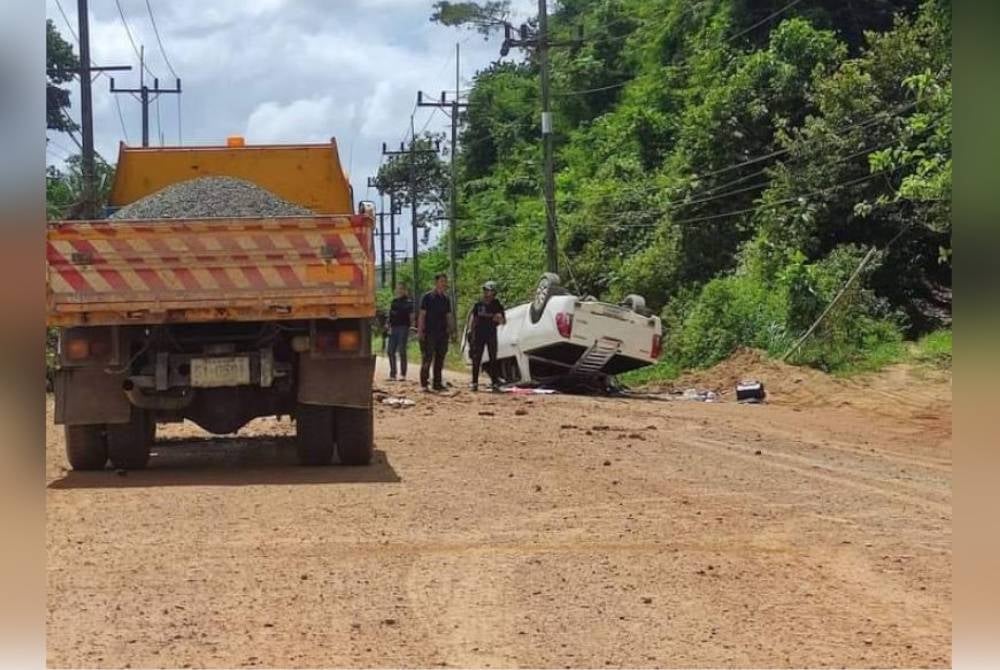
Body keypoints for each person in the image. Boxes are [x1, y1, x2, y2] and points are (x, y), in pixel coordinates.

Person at [467, 280, 506, 391]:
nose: (486, 292)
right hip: (478, 334)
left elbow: (503, 321)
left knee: (493, 358)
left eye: (488, 290)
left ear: (493, 292)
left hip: (491, 334)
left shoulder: (497, 304)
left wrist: (499, 318)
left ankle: (494, 382)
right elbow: (474, 319)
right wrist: (470, 331)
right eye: (485, 290)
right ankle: (474, 382)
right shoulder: (478, 304)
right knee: (476, 358)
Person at [417, 273, 453, 391]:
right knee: (427, 358)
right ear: (436, 282)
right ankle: (424, 383)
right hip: (429, 332)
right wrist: (420, 330)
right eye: (441, 281)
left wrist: (450, 329)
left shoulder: (445, 299)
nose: (444, 284)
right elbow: (422, 315)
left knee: (440, 358)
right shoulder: (427, 297)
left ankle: (437, 383)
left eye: (445, 281)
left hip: (442, 333)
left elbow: (448, 315)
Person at [386, 283, 413, 380]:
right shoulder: (394, 302)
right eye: (398, 289)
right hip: (393, 328)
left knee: (402, 350)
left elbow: (411, 316)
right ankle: (393, 374)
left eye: (401, 289)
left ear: (405, 290)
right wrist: (388, 325)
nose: (399, 291)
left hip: (403, 327)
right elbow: (390, 315)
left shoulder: (408, 302)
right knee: (390, 351)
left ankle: (403, 374)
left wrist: (412, 327)